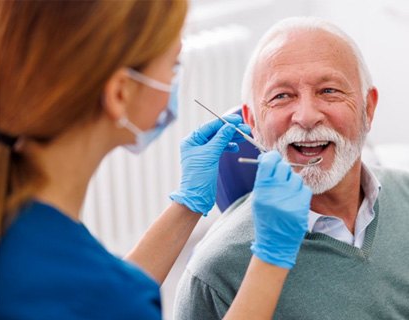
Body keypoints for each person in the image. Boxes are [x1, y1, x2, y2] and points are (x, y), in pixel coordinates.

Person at [0, 2, 313, 319]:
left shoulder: (25, 225)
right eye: (174, 66)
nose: (306, 116)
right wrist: (272, 257)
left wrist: (187, 204)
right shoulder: (104, 292)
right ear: (120, 93)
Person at [174, 17, 409, 320]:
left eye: (329, 91)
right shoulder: (215, 277)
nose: (307, 117)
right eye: (281, 96)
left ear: (368, 108)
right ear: (253, 122)